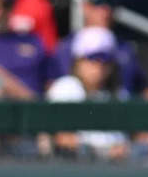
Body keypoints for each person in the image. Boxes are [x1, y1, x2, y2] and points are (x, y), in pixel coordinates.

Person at [46, 26, 132, 161]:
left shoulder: (118, 93)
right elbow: (62, 138)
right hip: (75, 169)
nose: (99, 67)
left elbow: (129, 138)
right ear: (78, 61)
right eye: (93, 59)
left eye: (105, 60)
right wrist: (103, 152)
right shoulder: (66, 87)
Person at [50, 0, 144, 96]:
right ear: (86, 5)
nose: (106, 9)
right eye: (99, 2)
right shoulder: (65, 48)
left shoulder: (127, 50)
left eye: (112, 3)